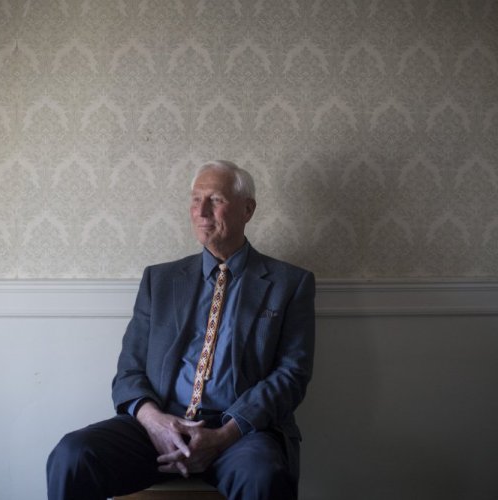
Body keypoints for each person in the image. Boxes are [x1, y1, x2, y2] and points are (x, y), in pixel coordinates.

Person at [47, 160, 315, 500]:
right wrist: (155, 422)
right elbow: (129, 371)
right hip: (158, 426)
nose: (201, 211)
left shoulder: (288, 283)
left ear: (247, 209)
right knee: (72, 455)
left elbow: (291, 376)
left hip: (240, 434)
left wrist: (226, 434)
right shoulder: (159, 280)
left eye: (215, 199)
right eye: (195, 199)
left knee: (264, 477)